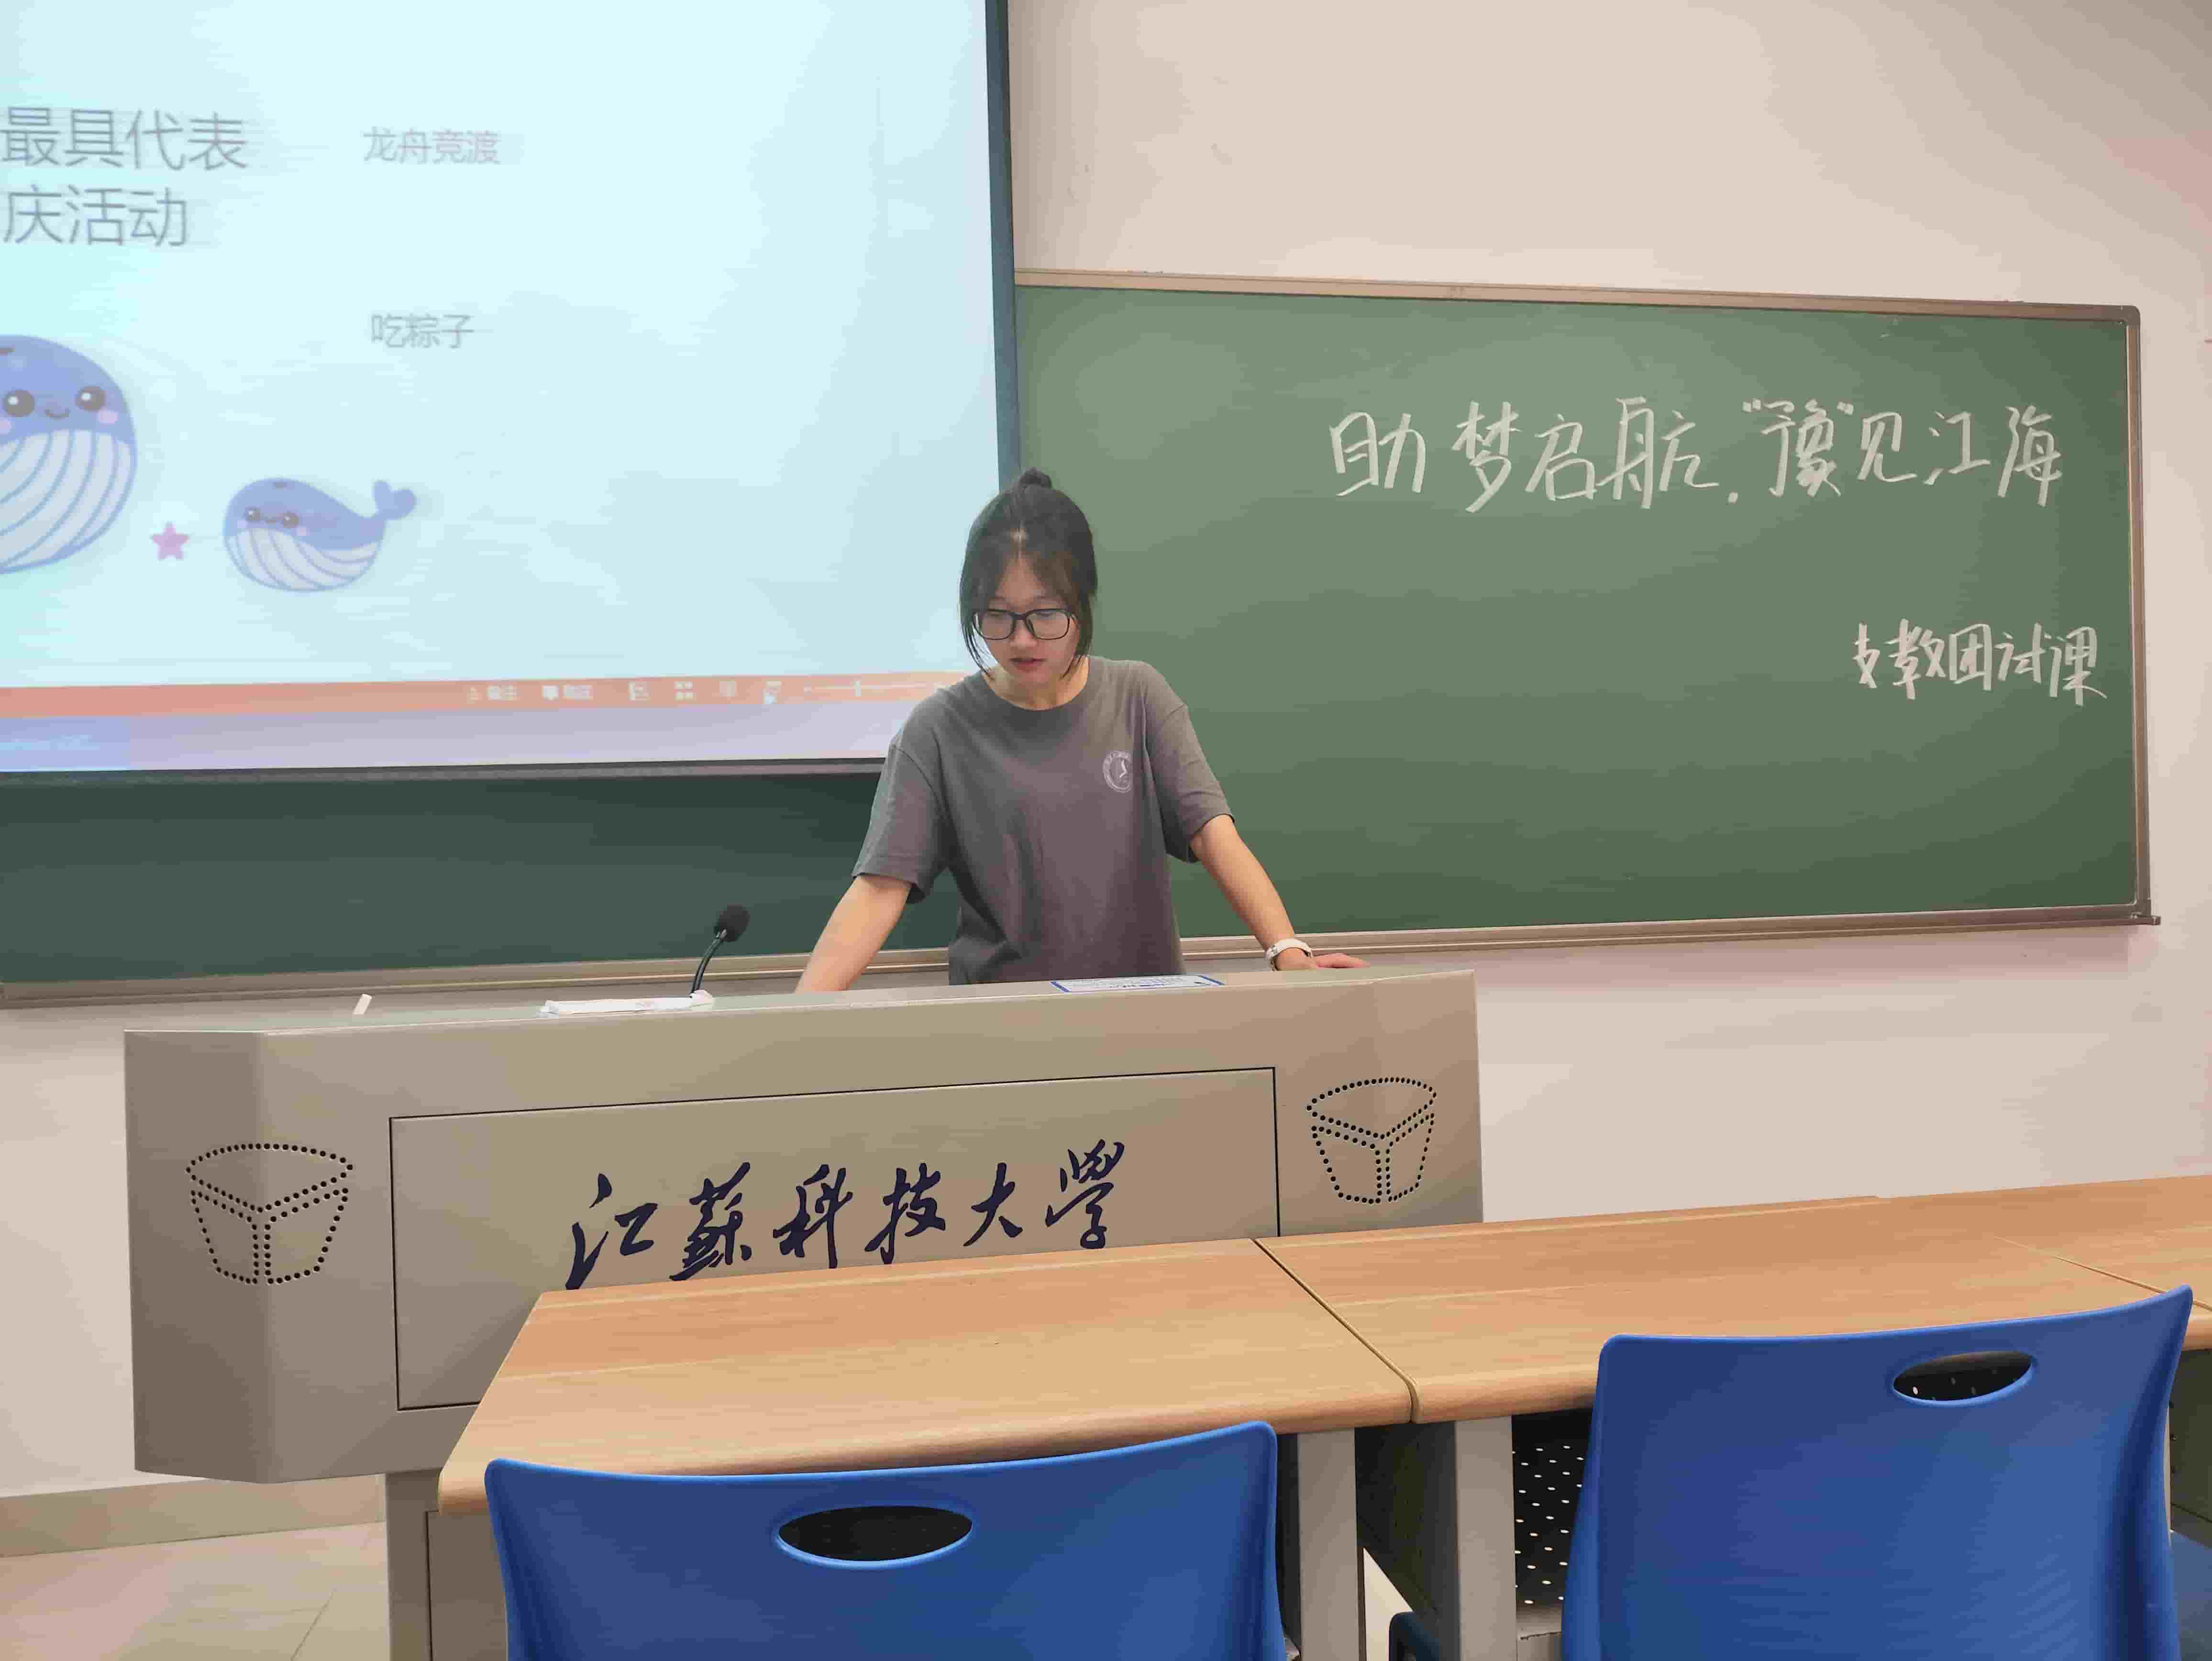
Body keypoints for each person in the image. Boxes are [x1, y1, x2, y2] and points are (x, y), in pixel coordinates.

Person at [796, 468, 1367, 991]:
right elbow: (879, 887)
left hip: (1142, 1012)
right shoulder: (939, 728)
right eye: (997, 616)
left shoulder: (1139, 697)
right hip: (1001, 1021)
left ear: (1083, 602)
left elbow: (1213, 835)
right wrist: (797, 1014)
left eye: (1045, 614)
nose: (1021, 639)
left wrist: (1287, 950)